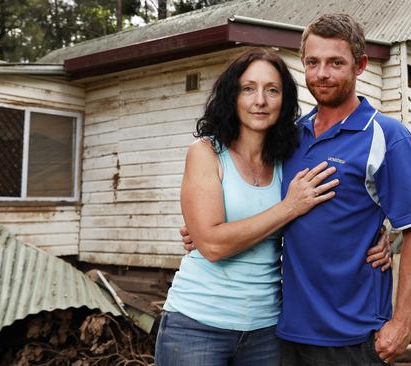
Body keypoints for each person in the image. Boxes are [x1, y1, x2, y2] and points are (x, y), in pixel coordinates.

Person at [157, 48, 391, 366]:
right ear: (232, 95)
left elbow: (337, 208)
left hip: (266, 331)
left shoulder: (287, 159)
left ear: (285, 101)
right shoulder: (207, 152)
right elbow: (212, 245)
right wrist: (287, 208)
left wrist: (380, 235)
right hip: (198, 325)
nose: (260, 101)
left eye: (272, 90)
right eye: (248, 88)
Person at [276, 14, 411, 365]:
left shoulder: (387, 137)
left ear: (360, 65)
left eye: (336, 63)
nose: (322, 74)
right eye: (313, 63)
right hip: (287, 330)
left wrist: (403, 323)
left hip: (354, 334)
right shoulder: (289, 136)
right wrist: (207, 227)